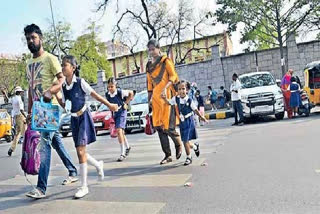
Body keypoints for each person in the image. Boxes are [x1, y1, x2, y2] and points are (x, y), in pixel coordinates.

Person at [24, 24, 78, 199]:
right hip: (37, 110)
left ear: (41, 38)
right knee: (56, 142)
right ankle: (72, 170)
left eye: (33, 37)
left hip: (49, 108)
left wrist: (50, 92)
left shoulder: (50, 59)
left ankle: (41, 188)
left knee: (44, 146)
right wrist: (30, 111)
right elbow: (31, 89)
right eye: (28, 39)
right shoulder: (28, 63)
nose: (31, 41)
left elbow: (61, 79)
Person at [56, 55, 118, 199]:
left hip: (83, 117)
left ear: (73, 67)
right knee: (80, 151)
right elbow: (66, 105)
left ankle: (84, 186)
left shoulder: (80, 82)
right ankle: (98, 165)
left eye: (65, 65)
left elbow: (95, 95)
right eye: (62, 65)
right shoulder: (64, 86)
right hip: (73, 119)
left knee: (80, 151)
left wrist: (109, 105)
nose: (63, 67)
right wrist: (58, 99)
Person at [146, 39, 182, 165]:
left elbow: (173, 76)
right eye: (149, 49)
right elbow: (149, 84)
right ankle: (167, 155)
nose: (151, 52)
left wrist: (166, 87)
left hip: (167, 98)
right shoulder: (149, 66)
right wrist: (148, 100)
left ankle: (178, 144)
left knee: (168, 127)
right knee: (159, 128)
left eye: (153, 49)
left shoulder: (166, 61)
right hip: (155, 100)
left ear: (158, 48)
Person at [164, 80, 207, 165]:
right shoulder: (176, 99)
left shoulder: (190, 100)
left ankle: (189, 157)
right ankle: (195, 146)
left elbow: (195, 110)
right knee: (185, 141)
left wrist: (201, 117)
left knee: (185, 140)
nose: (181, 91)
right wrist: (164, 98)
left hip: (189, 121)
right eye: (179, 89)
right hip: (182, 122)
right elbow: (169, 103)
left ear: (187, 90)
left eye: (183, 89)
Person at [105, 77, 134, 162]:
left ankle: (123, 152)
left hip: (122, 112)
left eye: (112, 86)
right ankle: (128, 147)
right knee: (121, 132)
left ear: (115, 86)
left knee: (119, 130)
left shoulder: (120, 92)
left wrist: (126, 103)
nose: (110, 88)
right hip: (115, 113)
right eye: (109, 87)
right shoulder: (107, 94)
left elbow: (131, 93)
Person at [8, 86, 27, 156]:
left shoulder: (13, 98)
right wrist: (26, 117)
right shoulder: (19, 99)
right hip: (20, 116)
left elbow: (8, 100)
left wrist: (6, 94)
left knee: (17, 134)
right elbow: (21, 110)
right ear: (19, 92)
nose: (22, 93)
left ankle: (11, 148)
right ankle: (26, 150)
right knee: (25, 133)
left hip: (16, 117)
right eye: (21, 92)